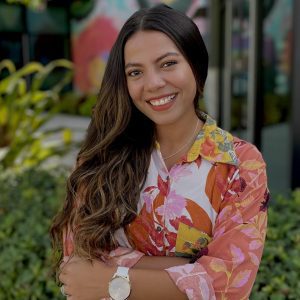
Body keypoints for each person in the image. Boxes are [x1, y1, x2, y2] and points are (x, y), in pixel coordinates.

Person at [51, 4, 269, 300]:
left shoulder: (241, 165)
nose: (153, 83)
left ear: (195, 64)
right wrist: (190, 270)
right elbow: (76, 265)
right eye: (136, 72)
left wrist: (112, 280)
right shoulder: (103, 155)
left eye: (168, 64)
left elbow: (228, 286)